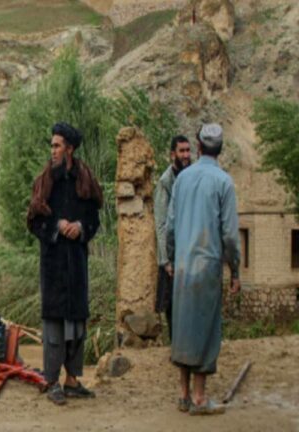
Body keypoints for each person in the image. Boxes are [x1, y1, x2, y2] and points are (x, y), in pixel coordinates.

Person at [166, 123, 241, 415]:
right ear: (219, 149)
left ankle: (182, 394)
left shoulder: (183, 179)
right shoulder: (224, 182)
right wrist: (234, 270)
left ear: (198, 147)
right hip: (207, 265)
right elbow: (231, 236)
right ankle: (199, 397)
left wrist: (171, 259)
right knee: (207, 330)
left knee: (183, 326)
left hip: (183, 265)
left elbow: (170, 227)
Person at [26, 122, 103, 405]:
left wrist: (81, 227)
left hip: (77, 263)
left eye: (57, 146)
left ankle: (72, 380)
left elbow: (94, 219)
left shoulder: (85, 181)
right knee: (55, 325)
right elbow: (34, 221)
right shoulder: (45, 182)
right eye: (52, 145)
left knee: (77, 323)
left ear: (70, 149)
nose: (53, 151)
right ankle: (51, 381)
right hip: (54, 264)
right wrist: (57, 226)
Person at [154, 135, 192, 341]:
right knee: (173, 305)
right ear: (172, 154)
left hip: (192, 250)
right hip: (173, 253)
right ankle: (176, 345)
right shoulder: (165, 182)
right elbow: (161, 223)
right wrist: (166, 259)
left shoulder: (192, 176)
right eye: (182, 151)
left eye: (188, 151)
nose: (186, 155)